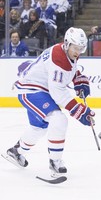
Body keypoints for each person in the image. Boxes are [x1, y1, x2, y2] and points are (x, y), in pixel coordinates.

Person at [5, 27, 95, 177]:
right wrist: (79, 111)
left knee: (39, 127)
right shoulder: (59, 58)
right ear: (67, 43)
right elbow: (58, 92)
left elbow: (68, 69)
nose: (78, 52)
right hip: (31, 91)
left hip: (37, 89)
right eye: (76, 48)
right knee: (58, 119)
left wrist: (78, 78)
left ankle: (16, 152)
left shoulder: (67, 51)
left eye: (81, 48)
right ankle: (55, 162)